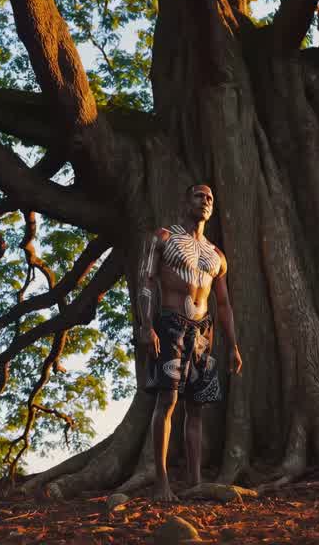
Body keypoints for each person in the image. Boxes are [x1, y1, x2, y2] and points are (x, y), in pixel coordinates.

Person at [136, 184, 243, 501]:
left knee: (196, 408)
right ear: (186, 201)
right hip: (170, 324)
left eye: (210, 198)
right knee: (167, 401)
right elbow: (146, 278)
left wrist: (234, 345)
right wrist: (146, 325)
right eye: (199, 195)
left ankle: (195, 482)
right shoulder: (164, 238)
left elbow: (223, 304)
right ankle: (162, 481)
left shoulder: (217, 255)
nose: (205, 201)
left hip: (203, 331)